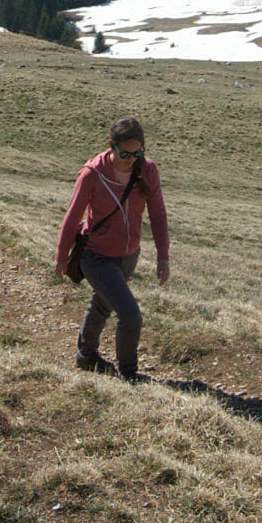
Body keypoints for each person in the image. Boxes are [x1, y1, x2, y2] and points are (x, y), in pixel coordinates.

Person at [55, 116, 167, 379]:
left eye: (138, 152)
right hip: (96, 256)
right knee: (131, 316)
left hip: (129, 255)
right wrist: (61, 256)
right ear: (112, 146)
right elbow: (73, 216)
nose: (131, 158)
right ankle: (129, 373)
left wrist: (164, 257)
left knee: (103, 304)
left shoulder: (147, 170)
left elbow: (158, 214)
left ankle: (86, 356)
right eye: (125, 153)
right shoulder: (92, 174)